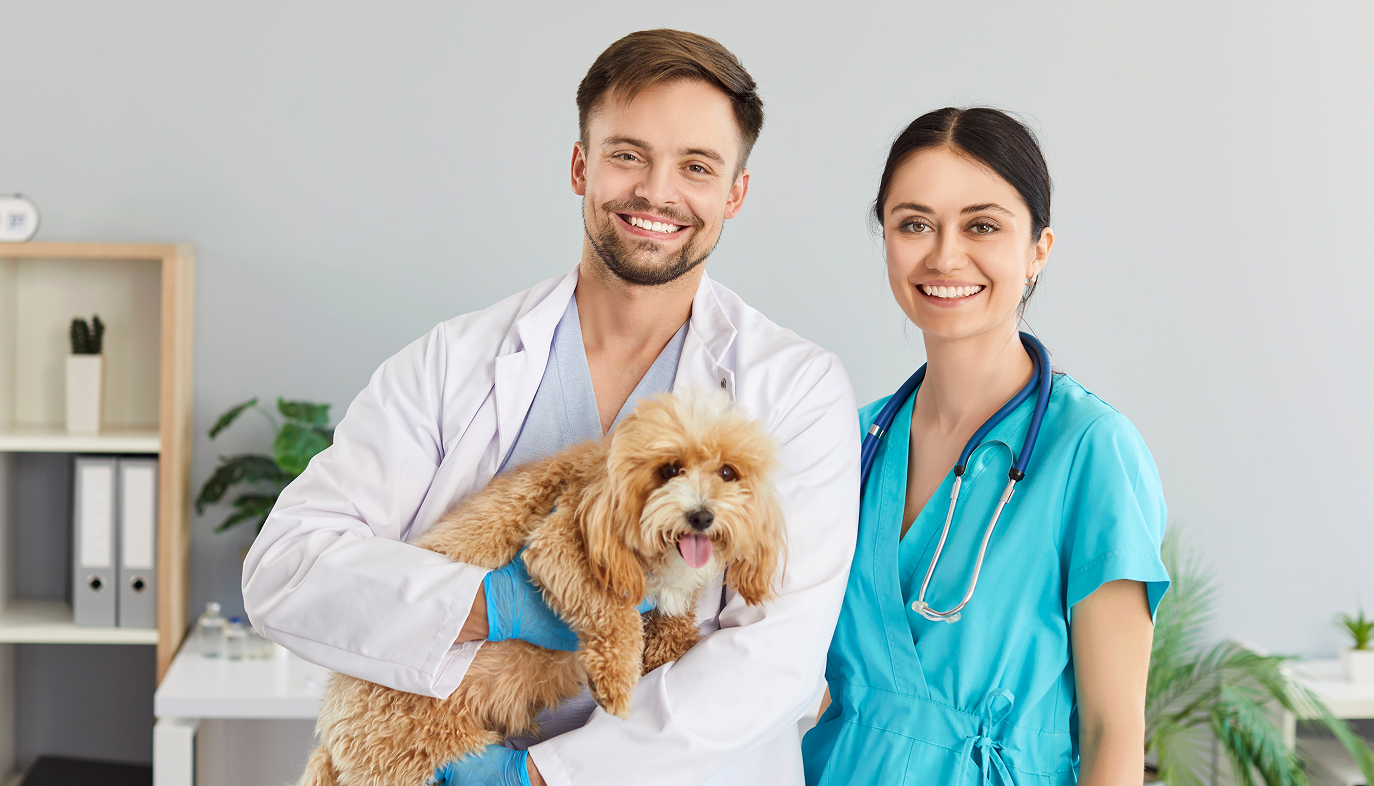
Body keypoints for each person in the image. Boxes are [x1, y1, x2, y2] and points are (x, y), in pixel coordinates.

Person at [242, 29, 859, 786]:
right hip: (441, 756)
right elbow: (284, 568)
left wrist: (538, 779)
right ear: (581, 166)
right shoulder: (453, 364)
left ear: (734, 192)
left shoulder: (793, 386)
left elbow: (776, 657)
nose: (657, 192)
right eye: (627, 154)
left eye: (696, 166)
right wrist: (494, 606)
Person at [801, 108, 1170, 786]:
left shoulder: (1091, 451)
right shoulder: (847, 440)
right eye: (914, 224)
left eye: (982, 225)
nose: (944, 255)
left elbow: (1111, 731)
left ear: (1038, 250)